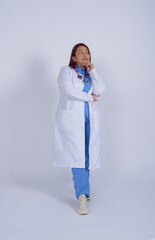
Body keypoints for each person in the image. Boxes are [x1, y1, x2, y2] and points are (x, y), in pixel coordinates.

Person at [52, 43, 105, 215]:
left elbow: (101, 89)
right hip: (73, 121)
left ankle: (85, 189)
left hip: (90, 119)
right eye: (80, 52)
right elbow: (68, 90)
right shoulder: (66, 71)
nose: (84, 55)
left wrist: (94, 71)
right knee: (77, 154)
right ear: (73, 57)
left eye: (87, 52)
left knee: (87, 153)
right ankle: (82, 195)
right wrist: (89, 97)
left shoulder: (90, 73)